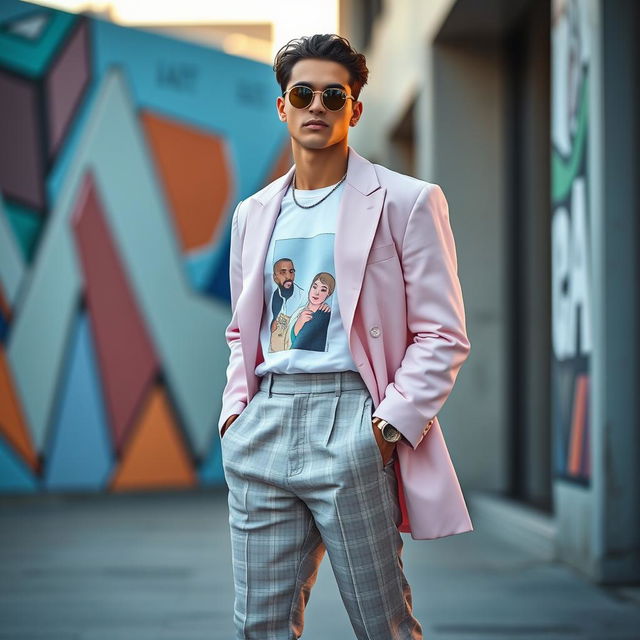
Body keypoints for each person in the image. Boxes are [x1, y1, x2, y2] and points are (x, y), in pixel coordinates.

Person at [218, 33, 472, 640]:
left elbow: (443, 333)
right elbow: (241, 328)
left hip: (354, 420)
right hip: (265, 422)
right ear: (282, 105)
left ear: (355, 109)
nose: (317, 107)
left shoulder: (406, 202)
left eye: (334, 96)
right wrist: (235, 415)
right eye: (302, 93)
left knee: (380, 624)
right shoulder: (253, 214)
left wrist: (385, 429)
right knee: (259, 626)